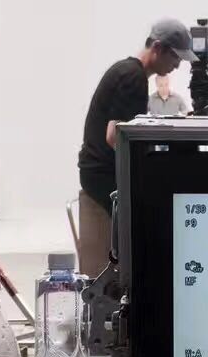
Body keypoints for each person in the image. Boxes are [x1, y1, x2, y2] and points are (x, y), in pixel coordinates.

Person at [77, 20, 197, 277]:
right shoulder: (133, 77)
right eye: (175, 57)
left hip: (94, 170)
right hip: (103, 174)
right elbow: (115, 136)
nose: (177, 65)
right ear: (158, 48)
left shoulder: (125, 71)